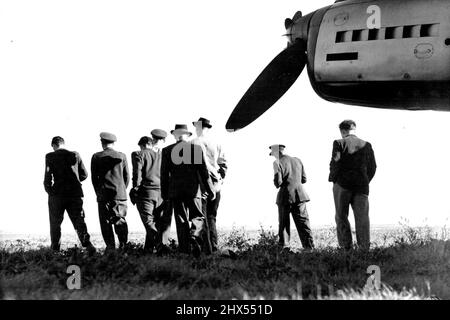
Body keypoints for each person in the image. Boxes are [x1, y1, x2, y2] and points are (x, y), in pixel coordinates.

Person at [160, 124, 215, 257]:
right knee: (198, 217)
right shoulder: (194, 149)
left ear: (175, 135)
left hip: (176, 191)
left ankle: (184, 251)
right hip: (193, 190)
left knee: (181, 221)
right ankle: (195, 236)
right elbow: (203, 172)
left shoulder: (167, 150)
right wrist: (210, 189)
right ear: (187, 135)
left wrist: (165, 193)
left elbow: (164, 174)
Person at [329, 120, 377, 250]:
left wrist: (334, 180)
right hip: (361, 186)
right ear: (354, 129)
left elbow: (335, 163)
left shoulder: (339, 143)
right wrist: (365, 180)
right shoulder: (367, 144)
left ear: (342, 131)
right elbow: (373, 167)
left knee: (341, 216)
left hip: (342, 185)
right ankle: (364, 249)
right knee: (362, 218)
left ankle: (346, 248)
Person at [43, 136, 96, 254]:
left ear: (53, 145)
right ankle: (88, 245)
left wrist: (50, 191)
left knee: (55, 223)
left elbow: (47, 179)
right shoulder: (75, 155)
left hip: (57, 195)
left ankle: (55, 249)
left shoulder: (50, 156)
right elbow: (84, 174)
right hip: (74, 194)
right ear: (63, 144)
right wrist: (74, 183)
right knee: (79, 221)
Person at [191, 117, 228, 253]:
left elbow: (194, 167)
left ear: (197, 127)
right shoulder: (216, 143)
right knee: (212, 217)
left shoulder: (193, 143)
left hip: (200, 185)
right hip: (216, 184)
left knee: (201, 217)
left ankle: (207, 249)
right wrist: (220, 178)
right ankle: (214, 246)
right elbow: (223, 164)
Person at [270, 144, 314, 250]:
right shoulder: (297, 160)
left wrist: (275, 180)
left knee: (284, 224)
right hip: (300, 196)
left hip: (285, 197)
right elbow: (304, 179)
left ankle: (284, 248)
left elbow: (278, 182)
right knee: (303, 222)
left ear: (276, 153)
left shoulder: (277, 163)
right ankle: (309, 248)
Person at [130, 130, 168, 253]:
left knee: (148, 222)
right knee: (156, 222)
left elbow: (137, 174)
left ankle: (161, 246)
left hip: (146, 193)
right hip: (161, 193)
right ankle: (148, 250)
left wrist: (135, 189)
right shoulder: (162, 155)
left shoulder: (138, 154)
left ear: (142, 145)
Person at [91, 132, 130, 251]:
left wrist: (98, 192)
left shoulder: (96, 156)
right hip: (119, 195)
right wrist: (122, 189)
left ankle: (110, 248)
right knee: (120, 221)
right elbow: (127, 177)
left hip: (103, 195)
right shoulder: (122, 156)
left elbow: (94, 179)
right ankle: (123, 246)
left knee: (105, 223)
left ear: (102, 143)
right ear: (113, 143)